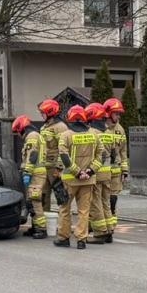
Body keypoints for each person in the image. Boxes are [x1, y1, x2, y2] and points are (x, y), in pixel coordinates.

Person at [55, 105, 98, 249]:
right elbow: (102, 155)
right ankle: (81, 240)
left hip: (70, 180)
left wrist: (77, 172)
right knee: (84, 211)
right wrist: (90, 172)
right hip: (88, 180)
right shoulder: (94, 134)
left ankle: (63, 238)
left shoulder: (65, 135)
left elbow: (64, 156)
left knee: (64, 209)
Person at [14, 115, 49, 239]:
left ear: (21, 128)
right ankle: (35, 227)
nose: (18, 134)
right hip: (36, 171)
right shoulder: (35, 135)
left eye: (18, 131)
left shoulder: (32, 136)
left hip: (35, 173)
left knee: (35, 201)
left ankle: (41, 229)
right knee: (31, 201)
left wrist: (27, 172)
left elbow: (32, 155)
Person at [86, 100, 115, 244]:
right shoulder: (109, 132)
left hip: (96, 173)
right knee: (106, 202)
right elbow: (113, 154)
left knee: (95, 202)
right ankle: (109, 230)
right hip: (108, 173)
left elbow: (93, 155)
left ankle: (99, 233)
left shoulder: (92, 133)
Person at [39, 98, 68, 224]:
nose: (41, 115)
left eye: (43, 112)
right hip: (44, 167)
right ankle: (43, 224)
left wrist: (59, 168)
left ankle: (63, 225)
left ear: (50, 112)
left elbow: (64, 149)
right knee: (42, 196)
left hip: (55, 169)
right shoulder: (44, 127)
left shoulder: (60, 127)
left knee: (61, 197)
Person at [104, 97, 129, 227]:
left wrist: (125, 170)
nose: (118, 116)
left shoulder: (120, 129)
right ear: (108, 113)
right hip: (102, 171)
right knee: (101, 198)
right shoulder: (101, 128)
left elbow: (123, 151)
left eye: (119, 114)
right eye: (116, 113)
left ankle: (111, 225)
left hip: (116, 171)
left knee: (113, 198)